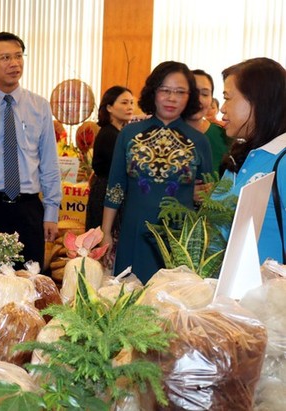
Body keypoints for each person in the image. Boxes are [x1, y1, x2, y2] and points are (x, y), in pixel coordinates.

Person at [102, 61, 213, 283]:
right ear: (153, 92)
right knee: (130, 299)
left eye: (180, 92)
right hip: (134, 231)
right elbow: (115, 187)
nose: (172, 98)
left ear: (189, 97)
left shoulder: (199, 141)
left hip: (179, 238)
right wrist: (106, 232)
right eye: (165, 90)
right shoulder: (129, 134)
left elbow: (209, 197)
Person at [0, 32, 62, 268]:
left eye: (18, 56)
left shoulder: (39, 105)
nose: (14, 63)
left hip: (28, 208)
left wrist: (51, 212)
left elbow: (48, 162)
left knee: (31, 282)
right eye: (5, 57)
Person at [216, 58, 286, 263]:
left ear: (257, 101)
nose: (222, 108)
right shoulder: (240, 157)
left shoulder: (281, 161)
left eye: (228, 98)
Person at [85, 86, 134, 232]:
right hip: (107, 192)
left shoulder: (120, 133)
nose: (130, 107)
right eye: (124, 103)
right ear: (109, 107)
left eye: (131, 103)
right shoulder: (109, 134)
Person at [187, 69, 231, 172]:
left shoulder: (224, 135)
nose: (198, 99)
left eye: (205, 94)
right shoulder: (162, 136)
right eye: (192, 92)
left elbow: (232, 179)